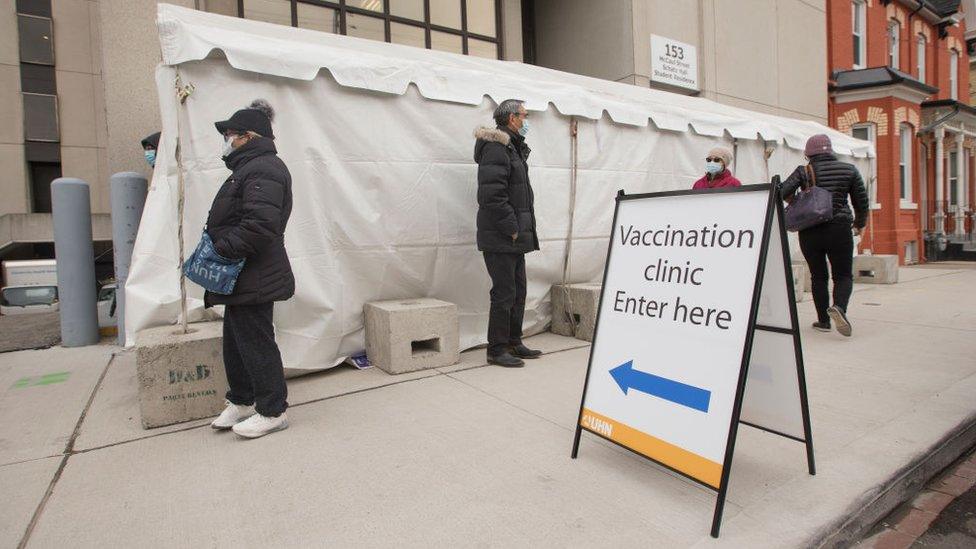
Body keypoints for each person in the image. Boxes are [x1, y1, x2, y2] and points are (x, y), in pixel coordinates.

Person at [206, 99, 295, 438]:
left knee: (256, 341)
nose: (226, 139)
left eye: (230, 134)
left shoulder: (263, 169)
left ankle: (273, 410)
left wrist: (220, 250)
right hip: (242, 272)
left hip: (254, 271)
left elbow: (260, 225)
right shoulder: (249, 168)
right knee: (236, 339)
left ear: (248, 136)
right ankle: (242, 400)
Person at [473, 99, 542, 367]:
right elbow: (492, 195)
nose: (526, 121)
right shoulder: (496, 148)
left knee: (518, 291)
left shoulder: (513, 147)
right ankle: (497, 349)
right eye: (524, 115)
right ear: (512, 118)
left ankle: (514, 342)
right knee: (504, 293)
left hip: (513, 237)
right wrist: (512, 228)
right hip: (501, 235)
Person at [781, 134, 868, 337]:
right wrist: (859, 224)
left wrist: (797, 202)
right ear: (830, 150)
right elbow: (861, 202)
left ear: (808, 153)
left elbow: (782, 191)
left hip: (810, 230)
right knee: (843, 274)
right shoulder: (849, 170)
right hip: (839, 227)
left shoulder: (804, 170)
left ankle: (823, 320)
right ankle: (839, 307)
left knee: (818, 276)